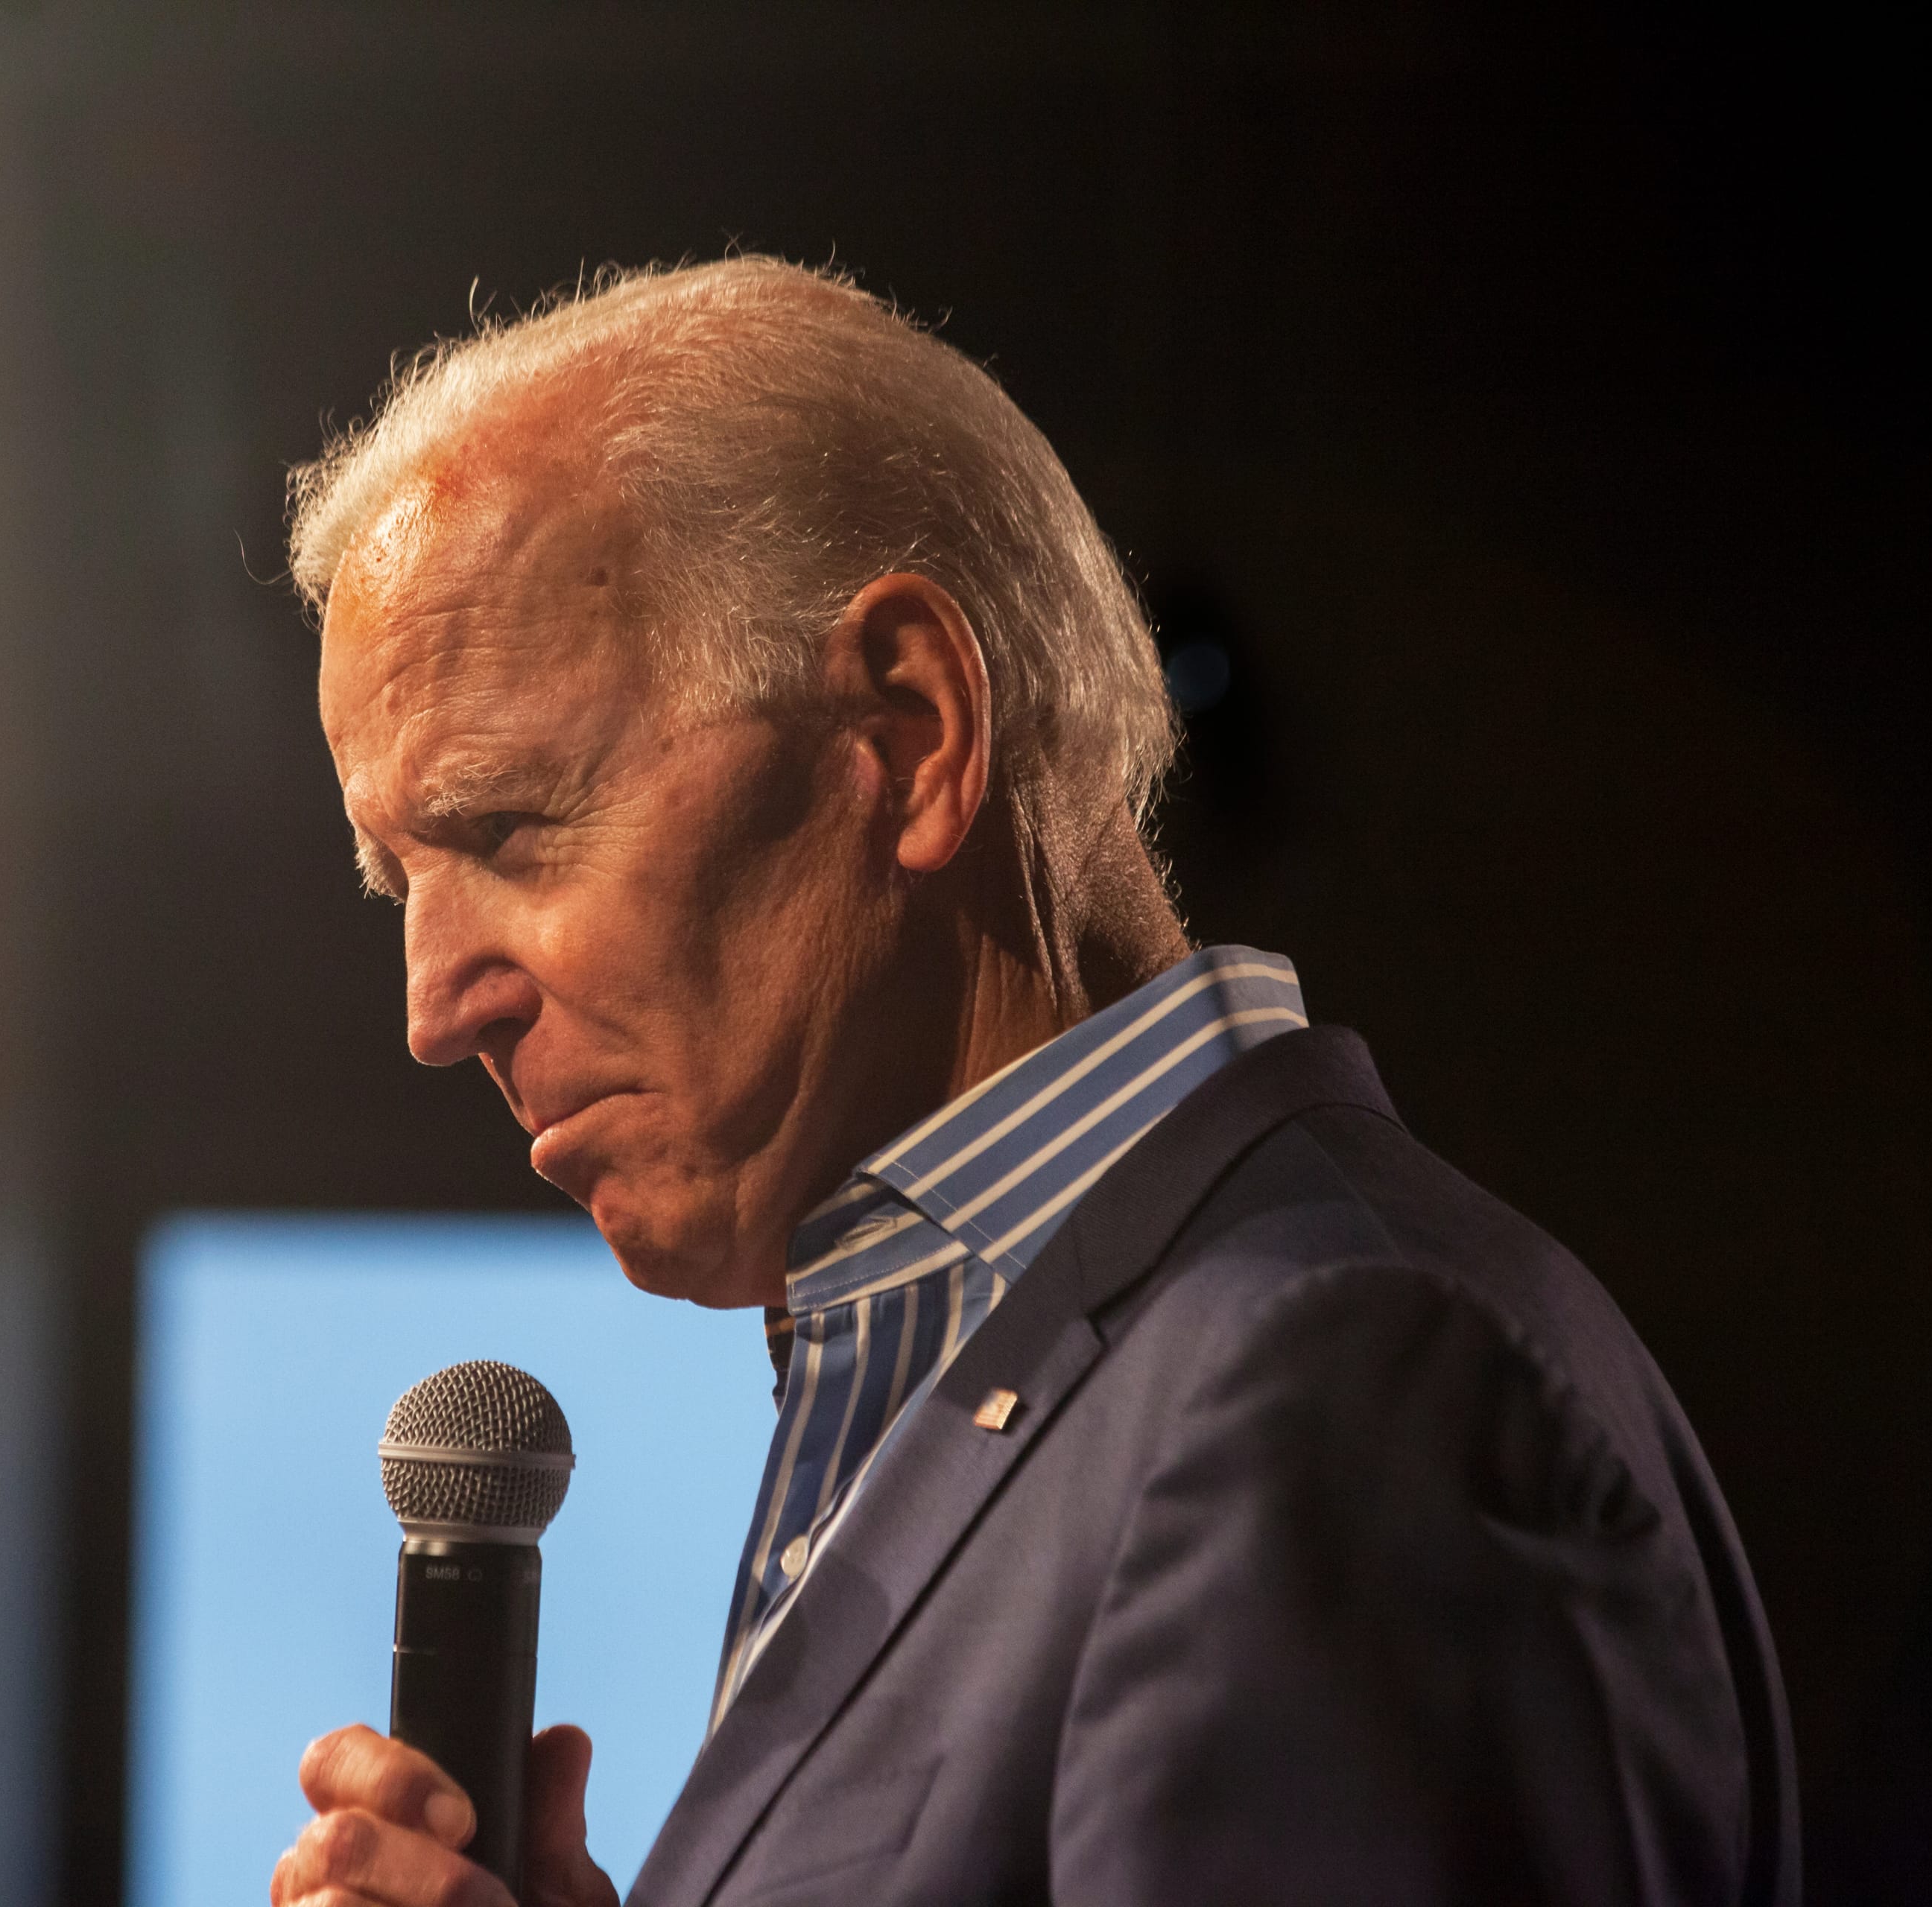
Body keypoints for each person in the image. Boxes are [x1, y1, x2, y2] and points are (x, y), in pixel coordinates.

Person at [266, 258, 1796, 1907]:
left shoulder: (1332, 1393)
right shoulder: (1019, 1356)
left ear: (911, 730)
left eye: (510, 826)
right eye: (398, 879)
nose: (434, 1006)